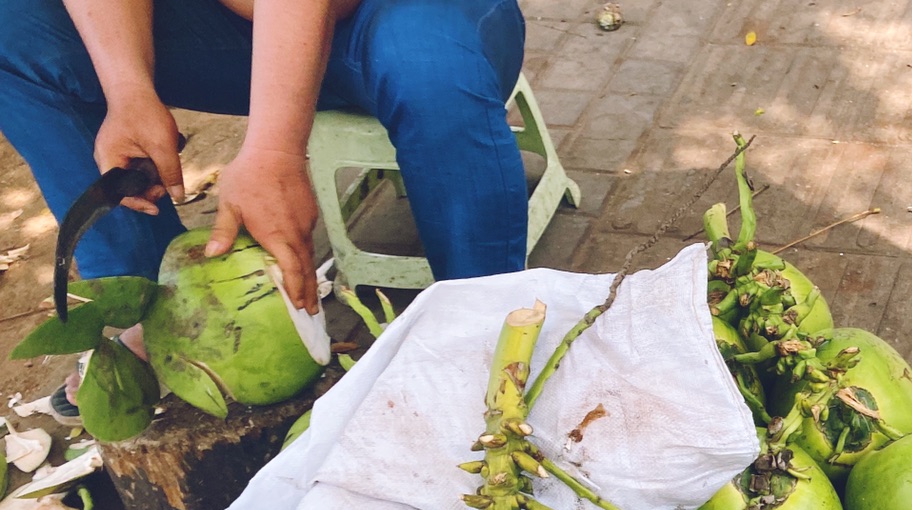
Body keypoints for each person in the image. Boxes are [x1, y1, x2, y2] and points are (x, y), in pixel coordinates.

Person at [1, 0, 529, 341]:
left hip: (417, 16)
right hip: (234, 26)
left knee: (431, 72)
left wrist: (275, 151)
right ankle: (156, 311)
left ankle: (488, 324)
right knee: (10, 31)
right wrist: (128, 88)